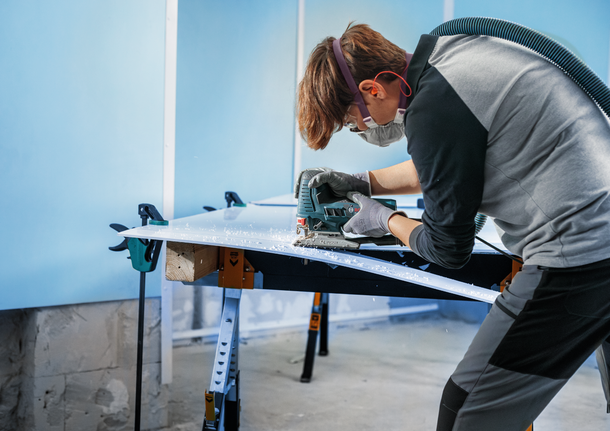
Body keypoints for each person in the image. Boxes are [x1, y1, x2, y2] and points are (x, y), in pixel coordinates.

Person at [296, 22, 610, 431]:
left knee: (467, 413)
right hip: (601, 242)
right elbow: (448, 162)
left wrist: (386, 220)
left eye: (354, 120)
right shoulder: (451, 59)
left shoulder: (434, 105)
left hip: (580, 258)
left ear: (373, 90)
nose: (361, 129)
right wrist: (363, 182)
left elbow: (447, 248)